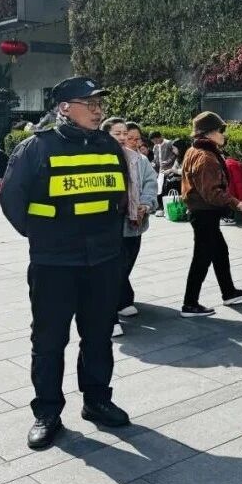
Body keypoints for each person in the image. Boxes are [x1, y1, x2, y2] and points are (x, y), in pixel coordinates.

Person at [0, 76, 131, 450]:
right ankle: (47, 413)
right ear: (64, 108)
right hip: (53, 263)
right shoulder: (36, 148)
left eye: (100, 104)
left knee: (99, 335)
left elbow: (120, 194)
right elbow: (11, 200)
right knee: (49, 340)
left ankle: (97, 400)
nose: (98, 111)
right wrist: (45, 237)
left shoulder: (108, 145)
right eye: (90, 104)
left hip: (103, 261)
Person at [181, 111, 242, 317]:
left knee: (220, 251)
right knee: (202, 258)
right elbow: (212, 193)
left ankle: (228, 292)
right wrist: (236, 203)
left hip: (202, 211)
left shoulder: (195, 150)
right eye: (220, 130)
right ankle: (189, 304)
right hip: (204, 212)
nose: (223, 134)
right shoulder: (205, 157)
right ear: (209, 133)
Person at [101, 117, 158, 334]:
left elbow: (150, 183)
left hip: (133, 222)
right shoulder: (99, 158)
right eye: (118, 134)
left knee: (125, 264)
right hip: (106, 224)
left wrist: (145, 203)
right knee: (111, 269)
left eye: (125, 133)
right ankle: (108, 316)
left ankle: (122, 300)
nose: (123, 137)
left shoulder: (138, 159)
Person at [151, 131, 177, 217]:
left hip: (169, 170)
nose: (155, 142)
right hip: (160, 171)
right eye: (153, 141)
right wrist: (153, 163)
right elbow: (155, 158)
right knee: (159, 190)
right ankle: (161, 208)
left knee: (166, 189)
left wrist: (168, 161)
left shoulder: (169, 143)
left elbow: (175, 154)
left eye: (156, 140)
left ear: (160, 137)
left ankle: (165, 209)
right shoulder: (155, 147)